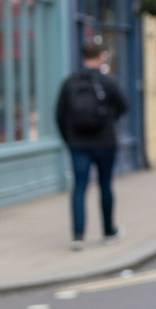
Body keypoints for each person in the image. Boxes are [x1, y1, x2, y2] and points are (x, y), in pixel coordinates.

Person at [56, 42, 128, 250]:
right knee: (105, 185)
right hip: (105, 142)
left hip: (78, 144)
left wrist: (69, 140)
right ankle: (108, 231)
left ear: (83, 57)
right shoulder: (108, 82)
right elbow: (124, 107)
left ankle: (78, 236)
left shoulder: (69, 83)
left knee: (79, 187)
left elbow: (59, 115)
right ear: (101, 57)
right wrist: (109, 120)